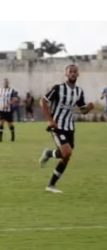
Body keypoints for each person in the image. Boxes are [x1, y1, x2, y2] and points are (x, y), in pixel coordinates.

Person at [38, 65, 94, 193]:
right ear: (66, 74)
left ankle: (51, 184)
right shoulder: (58, 89)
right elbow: (43, 101)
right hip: (57, 126)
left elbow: (83, 110)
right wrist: (50, 120)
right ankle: (49, 155)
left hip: (69, 127)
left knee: (66, 157)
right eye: (70, 72)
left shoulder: (79, 92)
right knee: (67, 152)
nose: (73, 74)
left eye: (75, 72)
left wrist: (89, 107)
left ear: (78, 74)